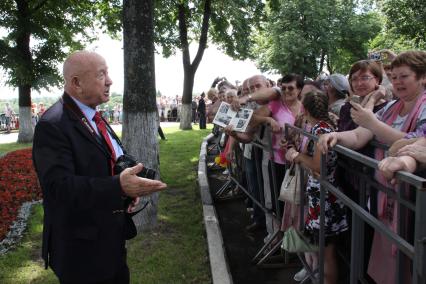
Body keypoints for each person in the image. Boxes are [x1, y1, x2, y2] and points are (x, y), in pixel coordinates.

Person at [32, 51, 167, 284]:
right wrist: (119, 187)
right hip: (82, 253)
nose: (110, 80)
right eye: (101, 74)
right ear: (76, 83)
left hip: (111, 240)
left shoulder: (94, 116)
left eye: (108, 73)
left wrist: (126, 190)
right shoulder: (53, 124)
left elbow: (108, 160)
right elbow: (58, 188)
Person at [318, 50, 426, 284]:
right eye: (394, 76)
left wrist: (373, 124)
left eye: (403, 76)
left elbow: (415, 142)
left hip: (414, 203)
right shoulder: (392, 107)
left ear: (422, 77)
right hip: (387, 195)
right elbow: (359, 135)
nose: (397, 81)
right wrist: (336, 135)